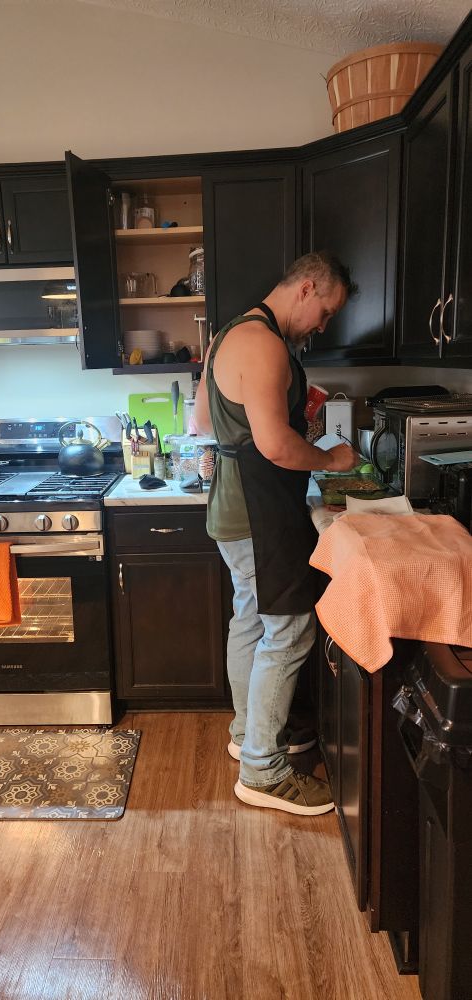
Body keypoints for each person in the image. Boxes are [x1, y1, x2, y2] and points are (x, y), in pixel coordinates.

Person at [194, 251, 359, 816]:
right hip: (260, 513)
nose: (323, 325)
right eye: (326, 311)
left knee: (250, 617)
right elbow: (274, 447)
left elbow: (205, 424)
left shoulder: (227, 336)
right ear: (308, 288)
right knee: (288, 631)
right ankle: (263, 770)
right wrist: (331, 459)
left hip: (236, 509)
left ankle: (249, 733)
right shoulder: (264, 344)